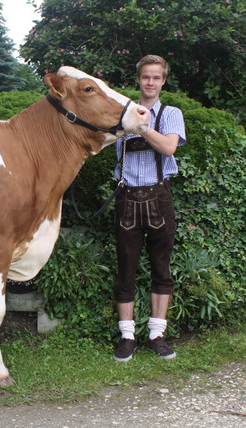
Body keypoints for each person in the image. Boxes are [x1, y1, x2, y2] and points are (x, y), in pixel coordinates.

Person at [113, 55, 186, 362]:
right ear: (139, 79)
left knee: (161, 268)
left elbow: (169, 147)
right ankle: (127, 337)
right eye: (146, 77)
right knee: (126, 269)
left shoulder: (171, 113)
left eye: (156, 78)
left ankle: (157, 334)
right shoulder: (121, 114)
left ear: (163, 81)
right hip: (127, 196)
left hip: (160, 197)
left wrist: (140, 125)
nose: (151, 82)